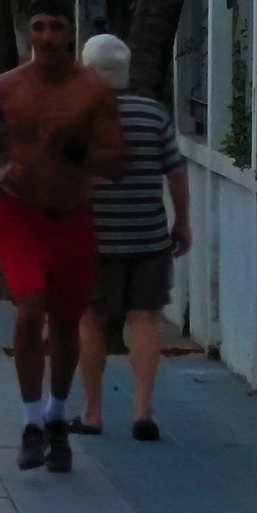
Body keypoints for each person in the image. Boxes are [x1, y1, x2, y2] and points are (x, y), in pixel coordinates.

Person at [0, 0, 125, 474]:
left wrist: (81, 156)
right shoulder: (7, 88)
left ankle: (56, 415)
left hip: (72, 217)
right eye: (39, 27)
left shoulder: (93, 91)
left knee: (68, 327)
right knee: (29, 312)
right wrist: (0, 169)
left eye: (56, 27)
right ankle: (30, 423)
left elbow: (117, 163)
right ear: (30, 33)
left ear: (71, 33)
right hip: (21, 217)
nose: (48, 36)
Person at [73, 34, 192, 442]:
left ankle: (92, 413)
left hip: (93, 239)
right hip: (147, 235)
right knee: (145, 318)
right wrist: (183, 222)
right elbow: (175, 171)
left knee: (90, 319)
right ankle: (143, 412)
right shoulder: (152, 114)